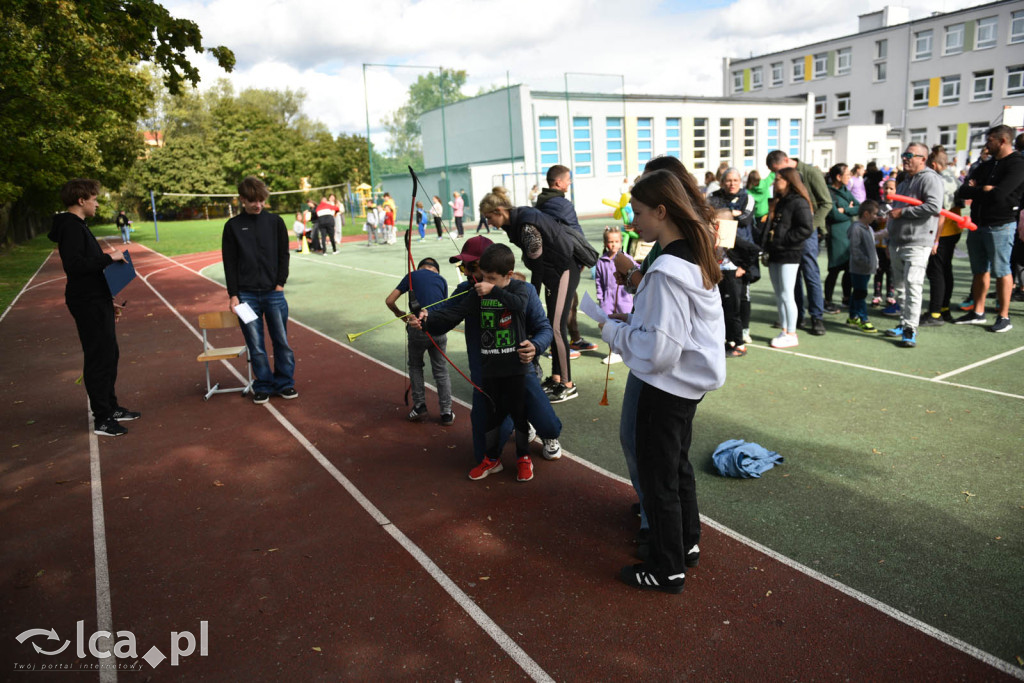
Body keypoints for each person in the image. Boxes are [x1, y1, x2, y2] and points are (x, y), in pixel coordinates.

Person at [601, 169, 726, 593]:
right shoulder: (693, 252)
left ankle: (666, 567)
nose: (632, 222)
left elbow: (658, 351)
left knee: (659, 479)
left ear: (661, 210)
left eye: (637, 213)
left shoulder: (667, 269)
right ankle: (685, 544)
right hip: (686, 385)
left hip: (667, 386)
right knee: (676, 468)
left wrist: (611, 329)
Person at [415, 243, 554, 482]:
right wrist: (425, 318)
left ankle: (529, 440)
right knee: (485, 443)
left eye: (472, 267)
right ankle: (498, 448)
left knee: (549, 426)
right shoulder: (468, 292)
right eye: (465, 267)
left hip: (520, 370)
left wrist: (536, 345)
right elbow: (446, 314)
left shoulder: (523, 290)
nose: (469, 273)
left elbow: (542, 327)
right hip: (487, 375)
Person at [49, 178, 139, 436]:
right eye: (95, 199)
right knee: (99, 357)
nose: (97, 203)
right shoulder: (71, 227)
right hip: (85, 301)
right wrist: (108, 257)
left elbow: (86, 267)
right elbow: (76, 266)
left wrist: (106, 297)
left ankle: (110, 407)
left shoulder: (78, 225)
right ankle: (102, 418)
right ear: (81, 200)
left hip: (95, 298)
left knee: (110, 354)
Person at [480, 186, 579, 403]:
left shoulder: (524, 224)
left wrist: (531, 293)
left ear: (499, 211)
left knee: (555, 326)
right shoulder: (515, 222)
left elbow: (538, 262)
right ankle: (556, 377)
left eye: (489, 218)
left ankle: (568, 384)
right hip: (552, 271)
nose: (489, 223)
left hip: (563, 270)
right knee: (552, 323)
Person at [222, 176, 297, 403]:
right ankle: (263, 384)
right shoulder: (232, 227)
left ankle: (284, 383)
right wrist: (233, 294)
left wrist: (279, 284)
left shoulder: (275, 222)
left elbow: (284, 254)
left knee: (281, 341)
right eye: (253, 201)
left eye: (262, 201)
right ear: (242, 200)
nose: (258, 205)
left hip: (274, 294)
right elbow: (229, 262)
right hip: (245, 296)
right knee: (255, 344)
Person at [953, 125, 1024, 333]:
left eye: (990, 140)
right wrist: (980, 189)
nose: (986, 144)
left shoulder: (1018, 164)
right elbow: (964, 189)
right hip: (977, 224)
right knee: (979, 270)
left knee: (1002, 271)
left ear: (1002, 140)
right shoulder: (988, 164)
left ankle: (1004, 316)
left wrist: (978, 190)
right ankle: (978, 311)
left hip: (1001, 225)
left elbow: (999, 195)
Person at [882, 143, 944, 348]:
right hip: (898, 241)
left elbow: (934, 207)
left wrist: (903, 213)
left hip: (918, 241)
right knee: (900, 285)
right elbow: (897, 209)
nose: (905, 158)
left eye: (910, 155)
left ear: (923, 158)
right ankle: (903, 322)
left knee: (913, 284)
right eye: (904, 155)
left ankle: (910, 328)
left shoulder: (930, 178)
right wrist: (890, 234)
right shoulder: (904, 181)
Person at [766, 150, 832, 336]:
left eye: (778, 172)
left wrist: (811, 226)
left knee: (810, 273)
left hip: (806, 229)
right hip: (791, 230)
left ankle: (816, 317)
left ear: (787, 162)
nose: (776, 177)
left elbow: (826, 203)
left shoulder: (810, 173)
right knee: (790, 280)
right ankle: (796, 316)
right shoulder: (783, 193)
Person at [536, 164, 597, 357]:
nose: (570, 183)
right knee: (559, 311)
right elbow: (576, 235)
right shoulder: (562, 205)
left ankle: (575, 339)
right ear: (558, 182)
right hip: (564, 263)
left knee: (570, 302)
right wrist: (583, 261)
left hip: (551, 263)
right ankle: (558, 348)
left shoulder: (541, 203)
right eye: (568, 179)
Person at [385, 257, 454, 425]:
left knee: (416, 366)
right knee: (441, 370)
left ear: (422, 268)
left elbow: (389, 300)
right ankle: (446, 413)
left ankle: (420, 407)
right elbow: (442, 308)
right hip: (438, 328)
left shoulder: (412, 275)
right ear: (436, 270)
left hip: (417, 328)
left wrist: (400, 314)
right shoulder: (442, 280)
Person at [763, 167, 815, 348]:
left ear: (788, 180)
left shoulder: (798, 202)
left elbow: (806, 228)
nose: (775, 182)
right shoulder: (781, 201)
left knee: (787, 294)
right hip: (776, 252)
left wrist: (784, 240)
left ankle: (792, 333)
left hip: (789, 253)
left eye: (778, 179)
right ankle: (785, 329)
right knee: (779, 294)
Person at [708, 167, 758, 343]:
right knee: (721, 298)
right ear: (722, 182)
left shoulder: (748, 197)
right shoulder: (713, 197)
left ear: (740, 181)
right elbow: (708, 216)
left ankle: (743, 330)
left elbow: (745, 219)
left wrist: (726, 215)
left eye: (735, 180)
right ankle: (724, 333)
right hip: (719, 253)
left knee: (742, 296)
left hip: (739, 254)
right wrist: (729, 214)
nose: (732, 184)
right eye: (728, 180)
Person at [921, 147, 962, 325]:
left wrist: (935, 239)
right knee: (946, 270)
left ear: (935, 164)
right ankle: (944, 308)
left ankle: (935, 312)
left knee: (935, 272)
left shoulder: (939, 180)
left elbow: (941, 212)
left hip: (942, 231)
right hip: (954, 230)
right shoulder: (955, 178)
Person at [594, 226, 634, 365]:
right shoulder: (601, 261)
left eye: (617, 241)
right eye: (611, 241)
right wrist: (600, 297)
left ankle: (626, 351)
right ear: (606, 243)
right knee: (608, 326)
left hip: (625, 300)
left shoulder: (627, 259)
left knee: (625, 327)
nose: (614, 244)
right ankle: (613, 352)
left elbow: (635, 274)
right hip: (607, 301)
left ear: (621, 242)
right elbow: (598, 281)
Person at [824, 163, 859, 314]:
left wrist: (845, 209)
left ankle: (846, 298)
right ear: (838, 177)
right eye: (847, 175)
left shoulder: (846, 190)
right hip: (836, 235)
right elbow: (834, 215)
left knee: (848, 269)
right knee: (834, 269)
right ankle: (827, 300)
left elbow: (859, 207)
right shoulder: (828, 192)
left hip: (848, 233)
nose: (850, 177)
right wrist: (850, 210)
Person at [847, 200, 880, 333]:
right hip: (858, 268)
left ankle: (853, 316)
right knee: (861, 293)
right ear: (866, 214)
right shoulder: (856, 228)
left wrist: (874, 262)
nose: (876, 217)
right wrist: (865, 261)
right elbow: (855, 250)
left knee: (858, 291)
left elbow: (872, 246)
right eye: (874, 214)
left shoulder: (869, 228)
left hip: (866, 268)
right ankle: (863, 319)